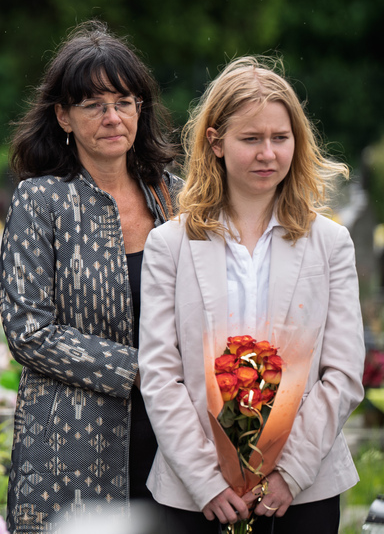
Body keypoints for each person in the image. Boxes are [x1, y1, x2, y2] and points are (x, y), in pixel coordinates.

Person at [139, 56, 364, 533]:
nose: (268, 154)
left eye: (280, 138)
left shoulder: (329, 243)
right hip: (193, 494)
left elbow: (342, 371)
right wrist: (206, 481)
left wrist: (290, 472)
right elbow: (160, 374)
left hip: (303, 489)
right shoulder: (171, 246)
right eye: (251, 139)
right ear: (216, 143)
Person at [0, 20, 180, 533]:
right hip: (70, 442)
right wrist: (142, 370)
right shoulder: (41, 201)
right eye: (94, 104)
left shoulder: (176, 197)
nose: (112, 117)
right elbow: (28, 331)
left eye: (124, 102)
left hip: (175, 433)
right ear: (63, 116)